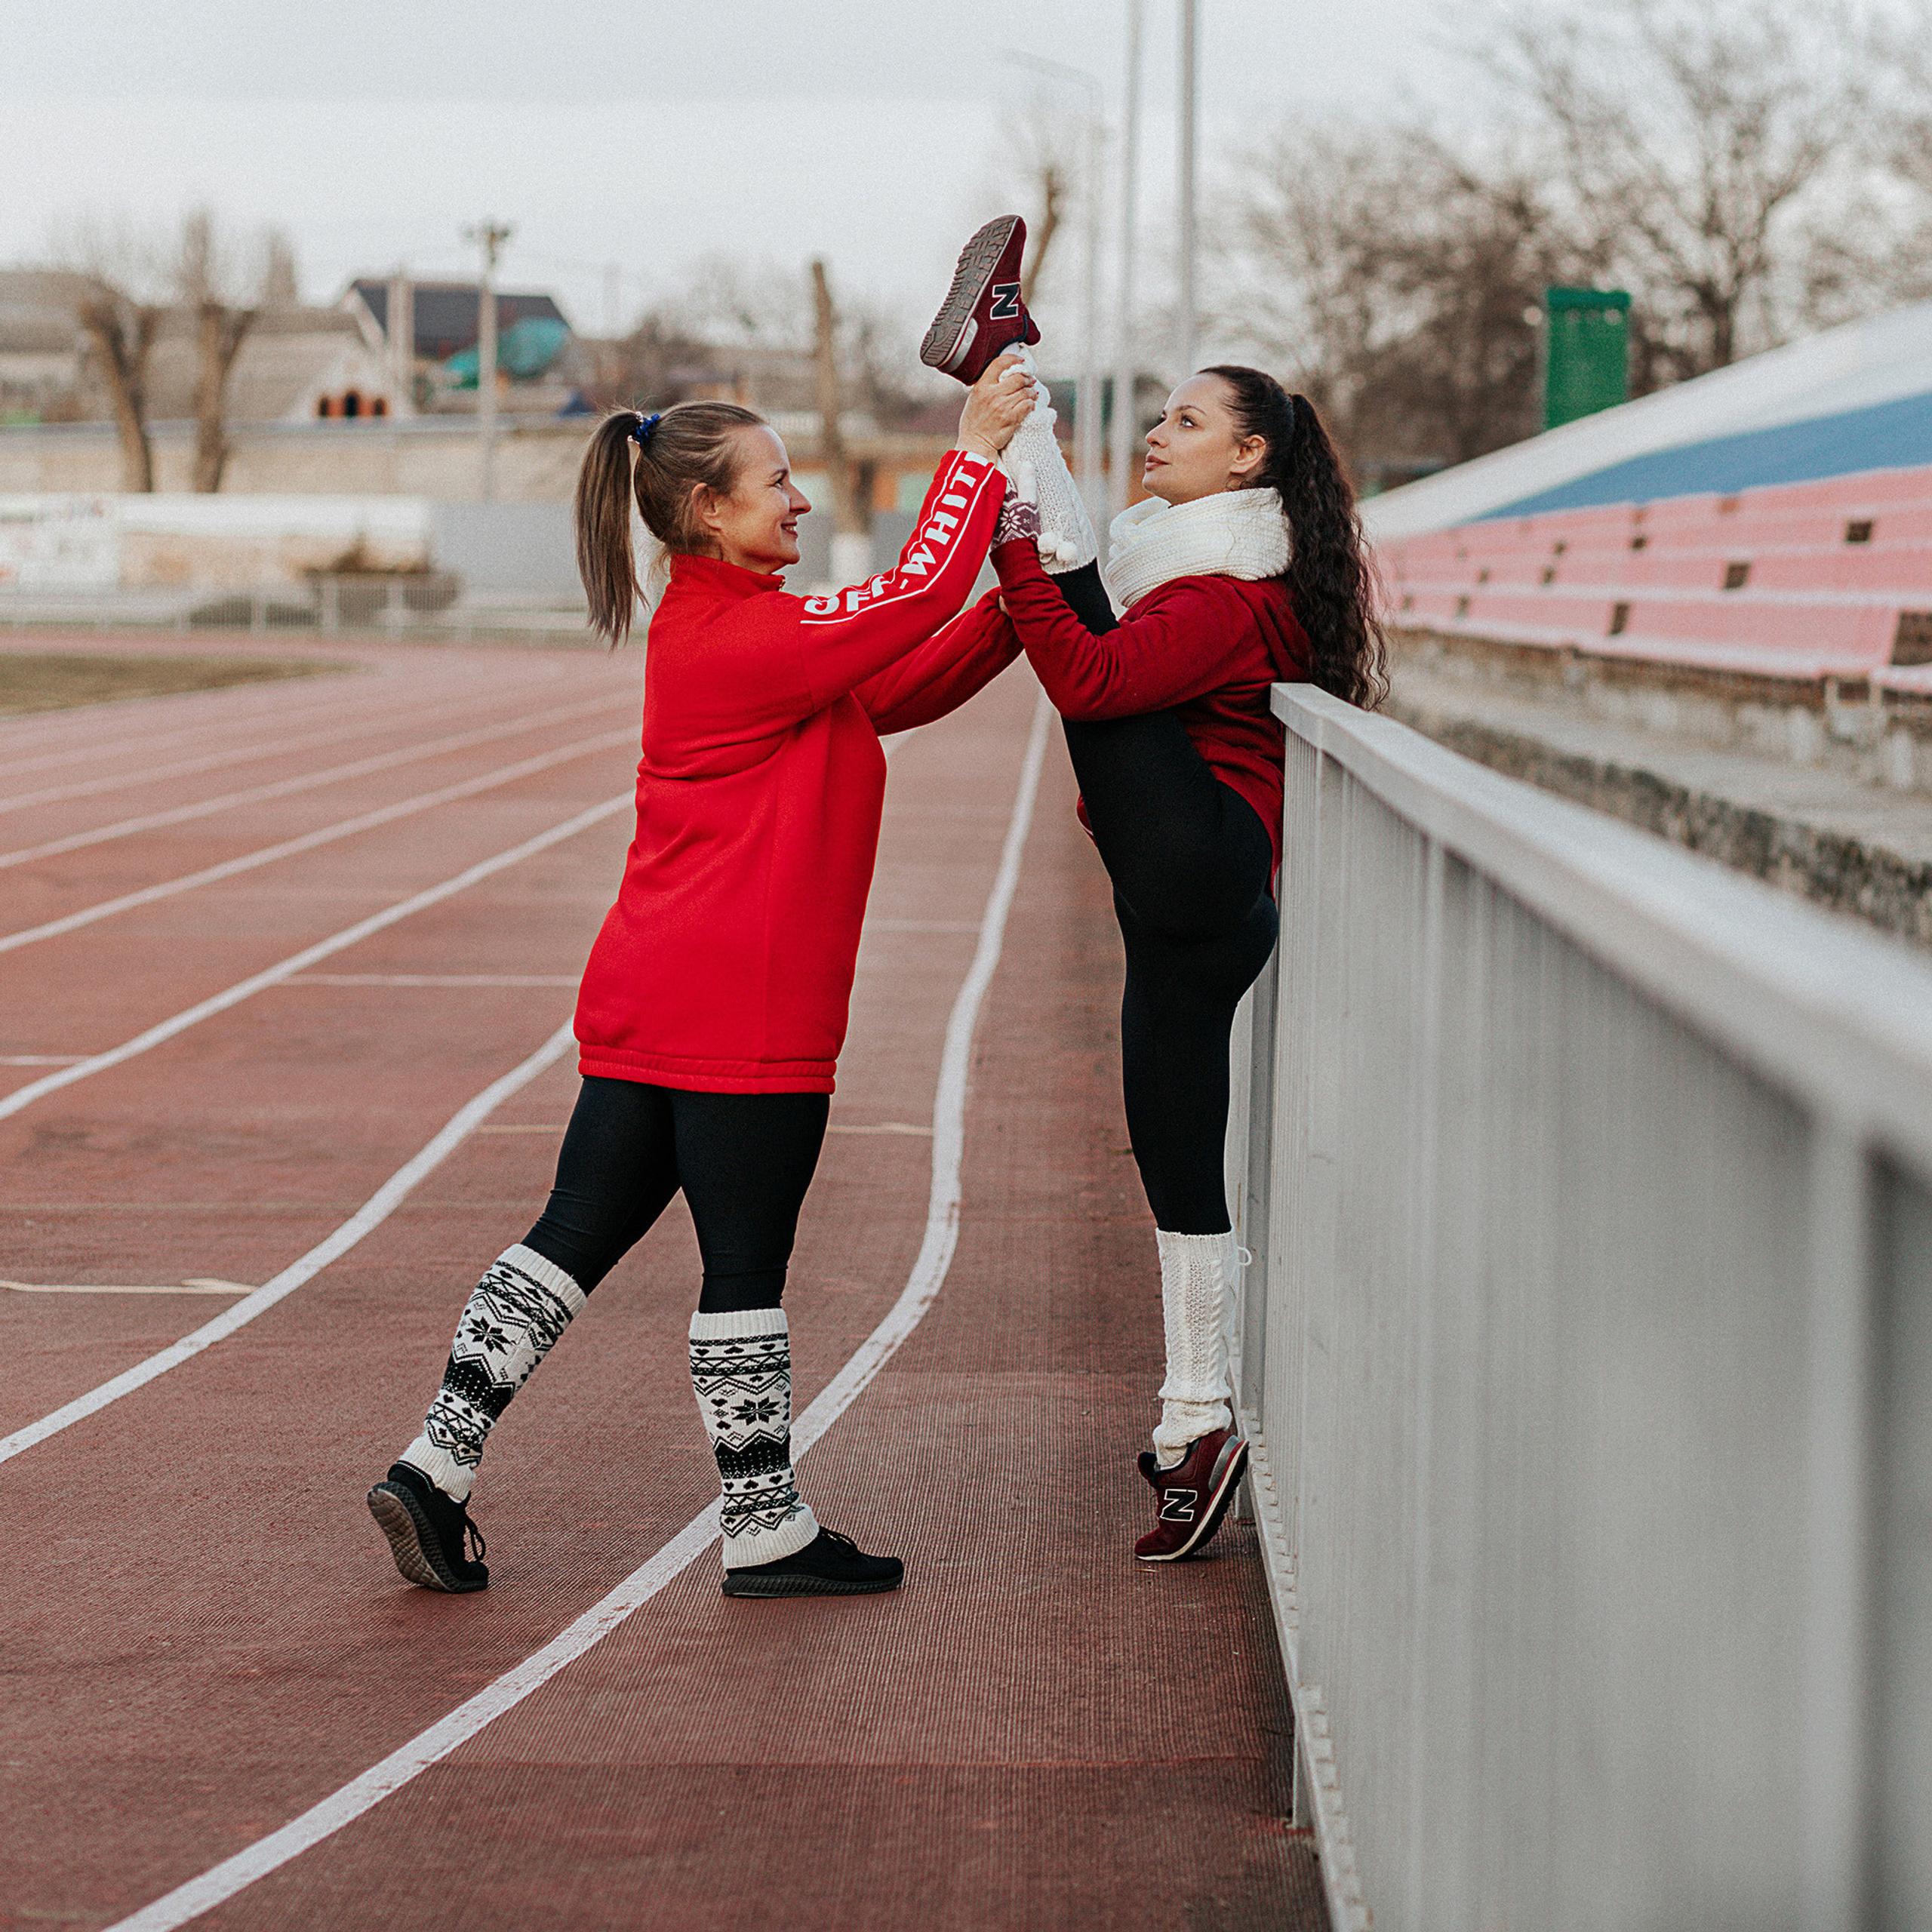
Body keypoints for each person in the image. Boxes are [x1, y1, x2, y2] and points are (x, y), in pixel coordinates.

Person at [367, 353, 1039, 1599]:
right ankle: (765, 1523)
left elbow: (898, 677)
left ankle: (434, 1464)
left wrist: (1023, 600)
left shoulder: (734, 635)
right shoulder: (744, 638)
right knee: (742, 1270)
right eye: (776, 483)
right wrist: (978, 452)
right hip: (747, 1012)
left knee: (569, 1237)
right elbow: (906, 600)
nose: (795, 500)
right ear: (706, 513)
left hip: (650, 999)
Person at [920, 221, 1386, 1562]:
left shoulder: (1227, 592)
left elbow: (1088, 680)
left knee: (1077, 618)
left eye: (1186, 421)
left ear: (1248, 458)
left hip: (1202, 863)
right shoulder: (1196, 574)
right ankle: (1198, 1423)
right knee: (1177, 1167)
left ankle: (1008, 364)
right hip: (1189, 904)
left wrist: (1010, 527)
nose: (1161, 434)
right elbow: (1096, 657)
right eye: (1161, 417)